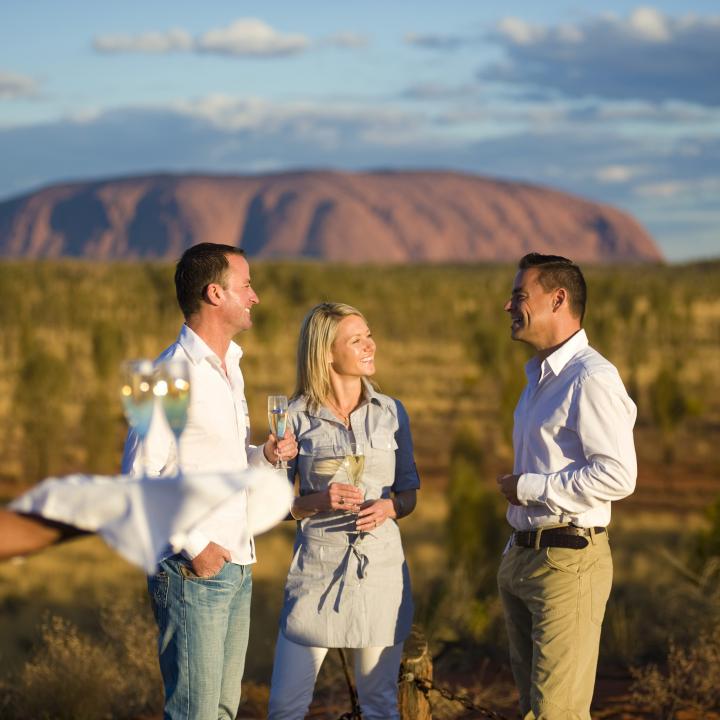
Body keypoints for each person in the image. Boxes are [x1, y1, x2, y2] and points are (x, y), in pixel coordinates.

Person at [121, 242, 298, 720]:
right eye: (247, 286)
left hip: (235, 564)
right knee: (194, 713)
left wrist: (262, 455)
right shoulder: (164, 374)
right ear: (215, 294)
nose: (255, 297)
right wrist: (196, 547)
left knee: (221, 710)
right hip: (191, 570)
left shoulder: (230, 368)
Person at [496, 253, 637, 720]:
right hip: (524, 556)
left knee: (557, 714)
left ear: (558, 299)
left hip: (568, 562)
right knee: (533, 709)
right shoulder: (538, 378)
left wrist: (530, 487)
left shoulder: (591, 378)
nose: (508, 306)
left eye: (519, 295)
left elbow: (618, 474)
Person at [267, 302, 420, 720]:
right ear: (326, 352)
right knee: (285, 707)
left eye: (368, 335)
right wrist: (318, 502)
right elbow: (276, 506)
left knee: (380, 706)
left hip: (381, 575)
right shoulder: (293, 418)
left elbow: (409, 491)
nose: (371, 345)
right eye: (357, 339)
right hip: (316, 573)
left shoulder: (392, 412)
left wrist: (390, 507)